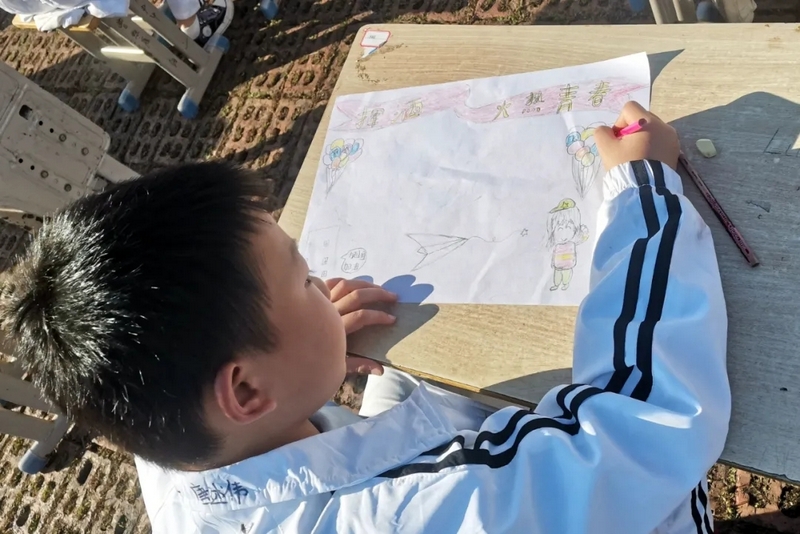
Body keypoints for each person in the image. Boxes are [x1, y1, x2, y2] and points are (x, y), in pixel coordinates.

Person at [0, 101, 730, 533]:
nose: (327, 284)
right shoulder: (434, 510)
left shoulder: (171, 438)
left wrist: (301, 357)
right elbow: (638, 420)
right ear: (245, 390)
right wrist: (644, 189)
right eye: (305, 279)